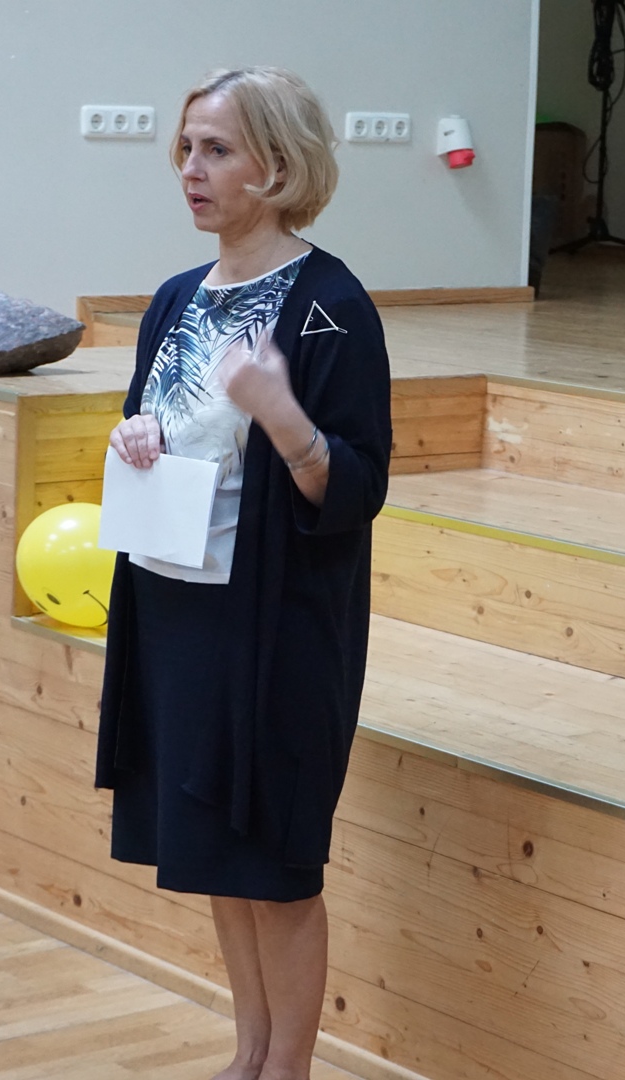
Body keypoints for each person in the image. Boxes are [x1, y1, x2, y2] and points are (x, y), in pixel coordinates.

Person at [94, 67, 391, 1080]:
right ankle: (250, 1054)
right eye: (185, 149)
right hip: (178, 613)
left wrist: (284, 416)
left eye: (216, 150)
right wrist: (138, 437)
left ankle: (288, 1069)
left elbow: (357, 486)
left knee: (275, 863)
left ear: (280, 166)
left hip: (275, 629)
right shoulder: (176, 299)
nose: (191, 169)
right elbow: (159, 425)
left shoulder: (331, 307)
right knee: (218, 850)